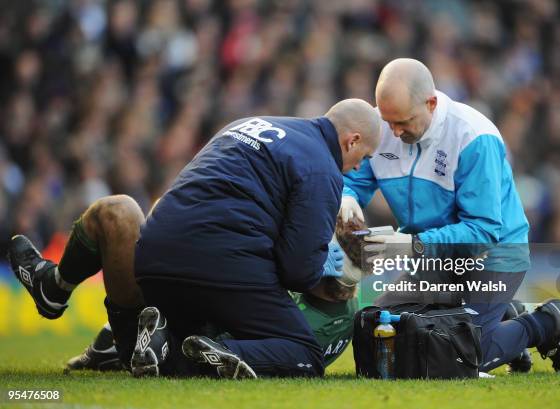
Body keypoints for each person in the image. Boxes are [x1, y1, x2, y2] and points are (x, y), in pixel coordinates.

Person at [9, 98, 381, 379]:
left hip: (153, 257)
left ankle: (60, 288)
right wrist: (324, 260)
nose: (358, 168)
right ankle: (189, 353)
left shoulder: (250, 123)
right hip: (220, 264)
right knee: (303, 353)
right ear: (351, 141)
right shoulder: (322, 168)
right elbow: (298, 270)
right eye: (362, 158)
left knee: (119, 210)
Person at [340, 58, 560, 373]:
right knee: (384, 334)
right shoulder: (381, 124)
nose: (394, 132)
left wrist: (412, 244)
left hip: (494, 253)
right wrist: (346, 198)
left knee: (453, 357)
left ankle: (547, 322)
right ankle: (505, 316)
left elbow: (482, 231)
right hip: (432, 255)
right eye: (388, 121)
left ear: (431, 103)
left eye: (403, 122)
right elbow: (354, 179)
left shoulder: (473, 137)